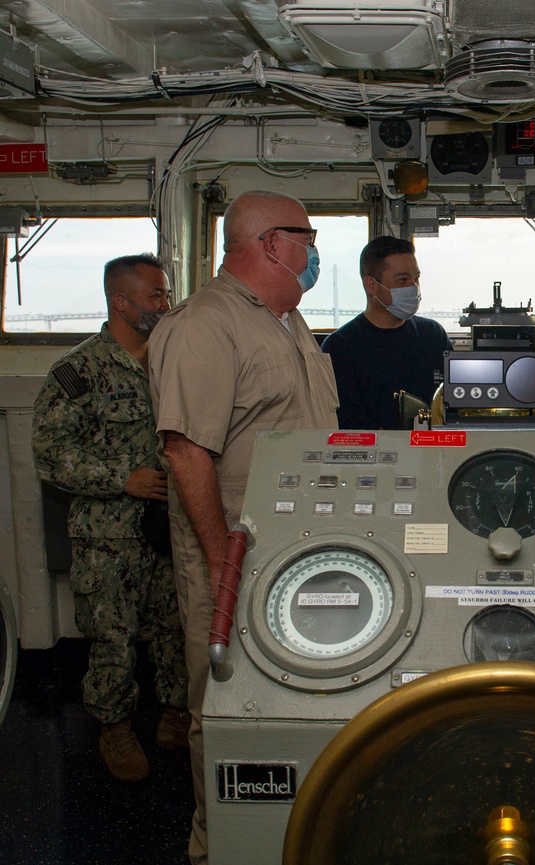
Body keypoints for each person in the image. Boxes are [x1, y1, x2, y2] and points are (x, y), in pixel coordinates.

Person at [147, 190, 339, 865]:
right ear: (271, 244)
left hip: (302, 551)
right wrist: (219, 560)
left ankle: (295, 835)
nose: (313, 253)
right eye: (307, 239)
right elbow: (185, 451)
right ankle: (218, 846)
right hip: (233, 555)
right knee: (227, 707)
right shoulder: (204, 324)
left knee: (295, 697)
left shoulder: (289, 322)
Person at [31, 253, 189, 783]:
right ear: (120, 302)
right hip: (109, 533)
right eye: (155, 296)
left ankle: (176, 713)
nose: (165, 305)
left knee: (176, 626)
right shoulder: (79, 372)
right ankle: (114, 728)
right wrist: (123, 477)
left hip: (170, 524)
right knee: (112, 636)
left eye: (166, 294)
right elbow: (51, 453)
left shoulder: (173, 362)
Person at [321, 236, 452, 429]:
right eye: (403, 280)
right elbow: (345, 415)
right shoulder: (340, 347)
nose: (413, 287)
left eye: (416, 278)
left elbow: (454, 396)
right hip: (376, 445)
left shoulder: (433, 335)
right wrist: (393, 442)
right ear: (371, 285)